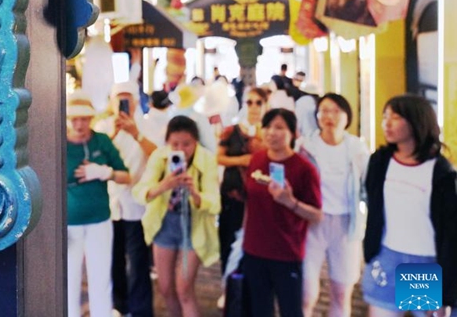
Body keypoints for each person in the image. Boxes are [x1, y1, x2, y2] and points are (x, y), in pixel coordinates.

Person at [362, 94, 457, 316]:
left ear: (416, 121)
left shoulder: (440, 172)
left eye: (395, 117)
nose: (387, 123)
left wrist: (447, 292)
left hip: (421, 265)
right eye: (385, 116)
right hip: (387, 256)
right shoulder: (381, 161)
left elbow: (450, 233)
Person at [133, 115, 220, 317]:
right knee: (165, 288)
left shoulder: (206, 159)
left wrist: (195, 194)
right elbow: (140, 192)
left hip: (195, 225)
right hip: (165, 224)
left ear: (196, 141)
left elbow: (215, 202)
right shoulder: (160, 157)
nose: (181, 149)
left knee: (184, 289)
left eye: (187, 144)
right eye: (175, 144)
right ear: (167, 143)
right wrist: (164, 185)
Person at [242, 108, 323, 317]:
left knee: (291, 310)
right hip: (254, 250)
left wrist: (291, 202)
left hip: (286, 252)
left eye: (279, 127)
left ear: (293, 133)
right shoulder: (257, 159)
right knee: (259, 309)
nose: (271, 132)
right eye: (267, 126)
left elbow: (316, 214)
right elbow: (250, 204)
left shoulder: (304, 168)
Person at [298, 94, 369, 317]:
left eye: (336, 110)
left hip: (347, 224)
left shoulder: (357, 148)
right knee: (306, 294)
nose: (329, 116)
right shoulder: (305, 147)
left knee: (341, 294)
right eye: (324, 110)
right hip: (312, 223)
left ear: (347, 116)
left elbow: (367, 187)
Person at [66, 89, 131, 317]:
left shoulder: (102, 141)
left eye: (84, 118)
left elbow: (126, 176)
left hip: (99, 220)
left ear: (91, 119)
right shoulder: (57, 144)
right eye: (74, 118)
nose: (79, 124)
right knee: (68, 279)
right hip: (69, 223)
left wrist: (106, 172)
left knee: (101, 278)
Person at [94, 81, 156, 317]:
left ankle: (141, 310)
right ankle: (119, 306)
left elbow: (158, 154)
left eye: (127, 98)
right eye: (119, 98)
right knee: (113, 257)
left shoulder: (146, 126)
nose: (124, 103)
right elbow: (97, 155)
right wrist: (115, 133)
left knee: (138, 260)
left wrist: (136, 133)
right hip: (110, 203)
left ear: (136, 101)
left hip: (137, 204)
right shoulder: (102, 127)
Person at [217, 87, 268, 281]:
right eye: (249, 102)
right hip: (234, 194)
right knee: (229, 239)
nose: (253, 107)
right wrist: (242, 160)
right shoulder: (232, 131)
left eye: (258, 103)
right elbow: (219, 158)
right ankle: (229, 284)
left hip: (260, 197)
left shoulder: (271, 132)